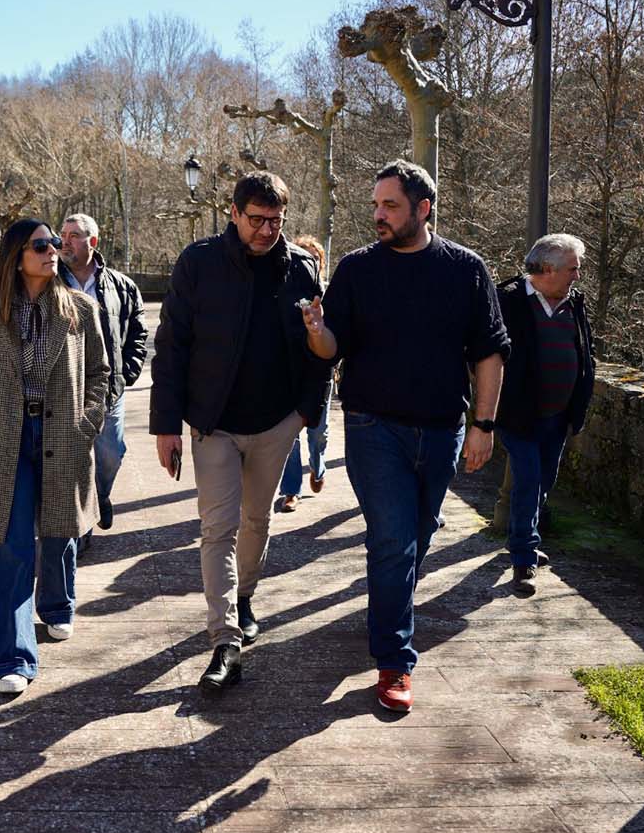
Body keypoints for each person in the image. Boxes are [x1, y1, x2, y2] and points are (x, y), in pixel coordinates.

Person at [303, 160, 509, 714]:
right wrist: (319, 333)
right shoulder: (356, 269)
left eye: (389, 206)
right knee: (393, 539)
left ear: (423, 209)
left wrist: (483, 425)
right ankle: (394, 659)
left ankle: (386, 609)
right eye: (375, 205)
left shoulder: (465, 269)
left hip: (442, 429)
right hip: (374, 427)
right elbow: (331, 349)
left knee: (416, 535)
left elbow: (488, 353)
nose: (378, 215)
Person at [149, 171, 331, 697]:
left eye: (276, 221)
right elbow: (173, 346)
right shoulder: (199, 263)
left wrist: (306, 413)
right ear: (233, 213)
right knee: (218, 528)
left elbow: (318, 347)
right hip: (214, 423)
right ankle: (224, 639)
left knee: (258, 518)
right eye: (256, 220)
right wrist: (166, 425)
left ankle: (245, 595)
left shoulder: (301, 267)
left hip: (277, 422)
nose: (266, 230)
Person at [0, 219, 109, 695]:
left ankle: (57, 605)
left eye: (54, 244)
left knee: (59, 530)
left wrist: (87, 424)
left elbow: (101, 375)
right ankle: (14, 658)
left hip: (62, 432)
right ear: (16, 255)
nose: (52, 251)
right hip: (6, 437)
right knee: (11, 548)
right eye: (41, 245)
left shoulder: (80, 311)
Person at [494, 233, 595, 596]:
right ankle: (523, 558)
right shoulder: (507, 300)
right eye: (573, 268)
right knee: (528, 480)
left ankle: (524, 539)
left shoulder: (574, 303)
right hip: (519, 414)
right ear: (548, 269)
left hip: (558, 414)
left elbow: (584, 351)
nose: (577, 276)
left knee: (543, 483)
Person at [58, 213, 148, 543]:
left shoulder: (122, 286)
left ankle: (100, 495)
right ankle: (80, 528)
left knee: (112, 451)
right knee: (74, 458)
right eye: (62, 234)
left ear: (92, 242)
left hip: (109, 387)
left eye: (73, 235)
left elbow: (137, 331)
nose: (64, 241)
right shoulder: (50, 281)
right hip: (64, 388)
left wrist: (129, 370)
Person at [276, 235, 333, 513]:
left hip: (321, 374)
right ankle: (290, 491)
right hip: (290, 374)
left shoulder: (331, 294)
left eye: (313, 257)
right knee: (290, 435)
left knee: (318, 433)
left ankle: (318, 466)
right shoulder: (286, 290)